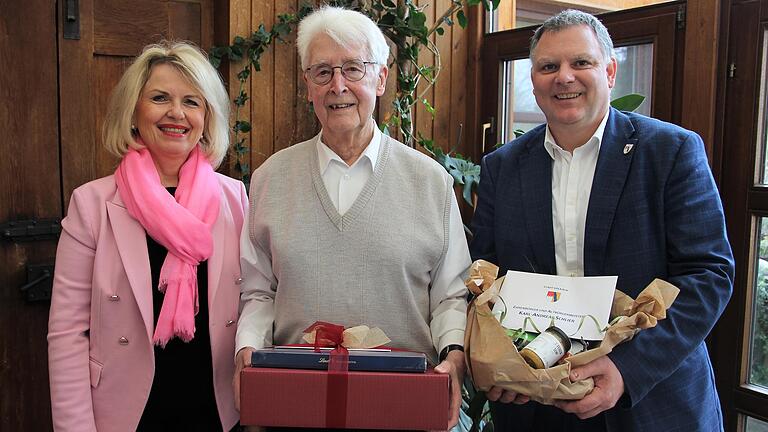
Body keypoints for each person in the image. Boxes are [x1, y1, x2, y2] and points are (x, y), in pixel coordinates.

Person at [469, 9, 734, 432]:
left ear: (609, 71)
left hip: (651, 403)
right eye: (548, 66)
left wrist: (627, 368)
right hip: (536, 403)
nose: (564, 77)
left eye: (581, 62)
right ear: (534, 78)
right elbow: (487, 275)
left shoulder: (670, 152)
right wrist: (501, 358)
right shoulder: (503, 167)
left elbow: (710, 275)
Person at [233, 6, 471, 429]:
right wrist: (246, 348)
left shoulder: (430, 181)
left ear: (380, 79)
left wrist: (454, 355)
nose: (337, 85)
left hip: (402, 406)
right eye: (322, 71)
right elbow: (258, 291)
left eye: (353, 69)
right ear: (307, 85)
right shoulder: (270, 178)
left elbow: (451, 295)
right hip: (295, 406)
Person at [47, 41, 248, 432]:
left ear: (206, 117)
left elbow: (257, 300)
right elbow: (67, 333)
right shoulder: (92, 204)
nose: (177, 113)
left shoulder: (234, 199)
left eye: (193, 101)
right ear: (134, 112)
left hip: (219, 411)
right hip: (125, 415)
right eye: (160, 98)